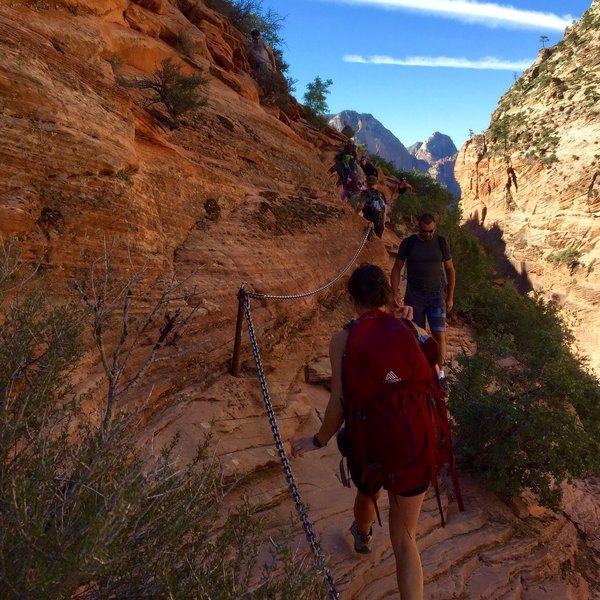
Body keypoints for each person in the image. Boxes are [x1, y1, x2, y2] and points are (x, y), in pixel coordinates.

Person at [292, 264, 432, 600]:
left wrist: (317, 440)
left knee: (368, 492)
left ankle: (364, 533)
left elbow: (338, 403)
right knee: (405, 540)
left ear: (353, 301)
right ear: (386, 295)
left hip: (372, 442)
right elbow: (432, 368)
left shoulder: (343, 338)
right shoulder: (409, 327)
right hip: (417, 436)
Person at [390, 214, 455, 373]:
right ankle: (419, 372)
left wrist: (450, 297)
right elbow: (397, 268)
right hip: (414, 296)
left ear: (435, 227)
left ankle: (440, 374)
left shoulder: (441, 242)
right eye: (424, 231)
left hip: (436, 295)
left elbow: (450, 269)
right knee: (416, 335)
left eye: (431, 230)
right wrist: (395, 292)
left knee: (439, 335)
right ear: (418, 227)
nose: (428, 234)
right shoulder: (409, 243)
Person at [248, 29, 277, 96]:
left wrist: (274, 67)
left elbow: (271, 54)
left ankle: (269, 97)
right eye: (255, 38)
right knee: (260, 83)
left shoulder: (263, 42)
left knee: (268, 82)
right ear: (252, 37)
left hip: (266, 64)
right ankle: (263, 97)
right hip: (258, 66)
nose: (257, 40)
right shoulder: (250, 45)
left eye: (258, 38)